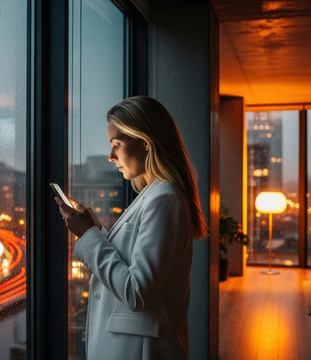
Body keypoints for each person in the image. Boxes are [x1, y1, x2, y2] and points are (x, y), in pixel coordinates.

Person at [55, 95, 207, 360]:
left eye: (117, 145)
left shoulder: (165, 199)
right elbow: (131, 261)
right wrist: (95, 229)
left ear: (146, 143)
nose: (111, 157)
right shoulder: (154, 195)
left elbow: (136, 291)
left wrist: (88, 235)